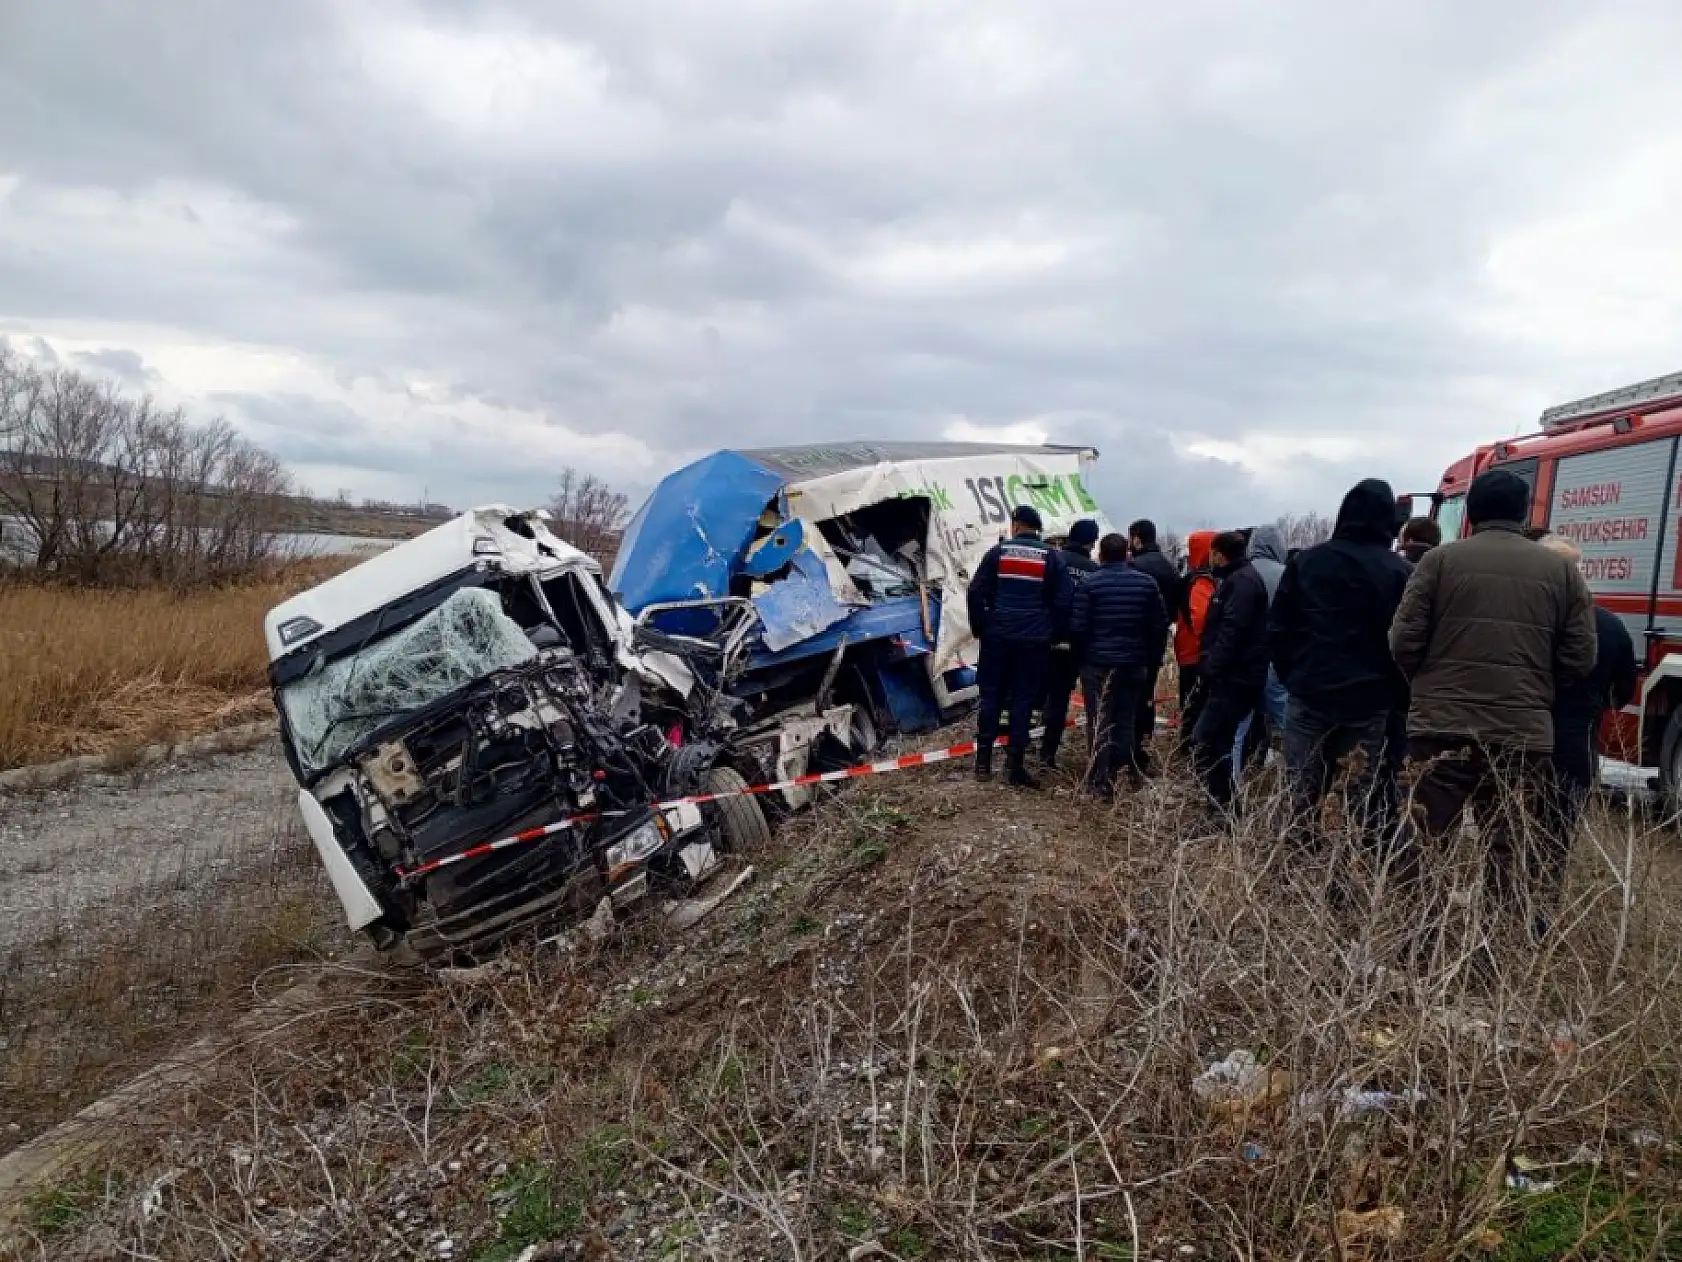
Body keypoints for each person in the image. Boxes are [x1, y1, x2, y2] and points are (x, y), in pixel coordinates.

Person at [1390, 469, 1597, 932]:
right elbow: (1581, 657)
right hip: (1521, 735)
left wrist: (1429, 682)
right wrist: (1535, 688)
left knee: (1425, 837)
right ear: (1523, 513)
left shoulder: (1438, 563)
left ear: (1472, 512)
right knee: (1508, 845)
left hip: (1440, 727)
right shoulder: (1562, 570)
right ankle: (1498, 949)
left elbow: (1403, 642)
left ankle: (1418, 938)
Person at [1268, 480, 1413, 848]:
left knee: (1300, 785)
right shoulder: (1399, 571)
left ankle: (1293, 865)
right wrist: (1394, 690)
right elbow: (1407, 640)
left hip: (1311, 688)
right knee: (1358, 790)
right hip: (1370, 697)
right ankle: (1345, 870)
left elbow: (1279, 627)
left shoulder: (1308, 561)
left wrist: (1292, 675)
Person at [1533, 532, 1639, 855]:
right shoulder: (1610, 625)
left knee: (1509, 840)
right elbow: (1622, 691)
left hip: (1523, 742)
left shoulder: (1526, 622)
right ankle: (1544, 902)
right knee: (1556, 841)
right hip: (1577, 746)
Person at [968, 504, 1072, 789]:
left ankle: (983, 764)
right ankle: (1014, 767)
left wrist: (983, 627)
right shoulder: (1052, 557)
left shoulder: (998, 553)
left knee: (991, 697)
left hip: (997, 639)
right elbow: (1064, 600)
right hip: (1033, 641)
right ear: (1036, 529)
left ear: (1016, 525)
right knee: (1023, 700)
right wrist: (1051, 631)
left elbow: (976, 592)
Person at [1073, 533, 1171, 797]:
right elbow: (1160, 625)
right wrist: (1150, 657)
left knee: (1099, 721)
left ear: (1101, 554)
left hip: (1098, 663)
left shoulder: (1090, 584)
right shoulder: (1147, 584)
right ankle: (1121, 771)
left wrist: (1082, 658)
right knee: (1126, 719)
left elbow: (1078, 626)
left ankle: (1099, 781)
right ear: (1127, 553)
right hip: (1133, 663)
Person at [1191, 531, 1270, 810]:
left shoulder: (1242, 583)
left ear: (1218, 554)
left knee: (1208, 739)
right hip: (1234, 676)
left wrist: (1210, 668)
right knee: (1217, 741)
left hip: (1235, 679)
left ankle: (1223, 805)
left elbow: (1232, 632)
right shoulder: (1237, 580)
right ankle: (1221, 806)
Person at [1231, 524, 1291, 782]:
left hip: (1243, 661)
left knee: (1237, 729)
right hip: (1278, 660)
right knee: (1287, 723)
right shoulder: (1289, 574)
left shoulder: (1241, 574)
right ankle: (1296, 783)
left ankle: (1231, 785)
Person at [1040, 519, 1100, 769]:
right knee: (1093, 701)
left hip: (1050, 639)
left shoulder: (1053, 560)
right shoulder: (1094, 571)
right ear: (1091, 542)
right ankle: (1097, 758)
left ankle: (1046, 753)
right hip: (1082, 644)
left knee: (1054, 698)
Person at [1128, 519, 1182, 771]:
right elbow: (1173, 611)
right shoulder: (1170, 570)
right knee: (1146, 693)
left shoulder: (1133, 566)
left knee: (1126, 695)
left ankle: (1128, 747)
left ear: (1137, 538)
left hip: (1130, 641)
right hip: (1155, 642)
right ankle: (1143, 741)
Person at [1174, 530, 1218, 748]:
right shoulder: (1201, 583)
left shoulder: (1192, 580)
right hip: (1197, 653)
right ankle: (1193, 748)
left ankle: (1189, 745)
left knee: (1191, 703)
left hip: (1189, 651)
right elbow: (1201, 620)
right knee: (1196, 704)